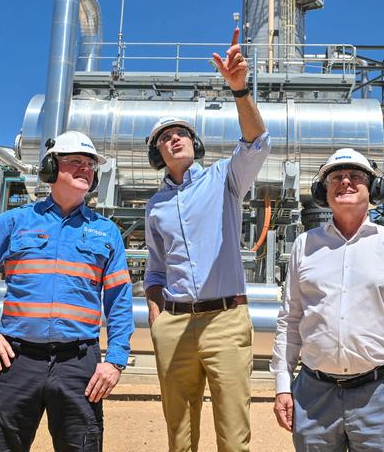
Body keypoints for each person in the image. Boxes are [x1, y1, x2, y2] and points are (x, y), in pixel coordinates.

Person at [144, 28, 270, 452]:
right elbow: (155, 269)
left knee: (233, 437)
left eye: (180, 133)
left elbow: (256, 141)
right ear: (158, 152)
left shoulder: (224, 179)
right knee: (179, 439)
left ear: (194, 145)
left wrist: (240, 90)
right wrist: (157, 317)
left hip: (224, 321)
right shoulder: (156, 207)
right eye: (165, 137)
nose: (173, 138)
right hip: (174, 324)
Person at [0, 130, 133, 451]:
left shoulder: (106, 231)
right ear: (50, 168)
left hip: (79, 364)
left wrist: (115, 361)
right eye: (75, 161)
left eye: (90, 164)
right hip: (16, 362)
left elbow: (119, 302)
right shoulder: (15, 222)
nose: (85, 169)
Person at [271, 148, 384, 451]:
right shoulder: (304, 246)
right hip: (313, 395)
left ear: (373, 190)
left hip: (380, 394)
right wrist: (282, 385)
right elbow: (290, 320)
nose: (345, 182)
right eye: (336, 177)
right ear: (323, 190)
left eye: (356, 176)